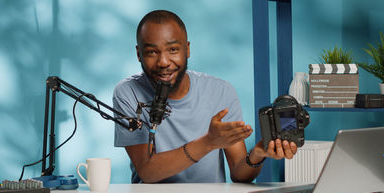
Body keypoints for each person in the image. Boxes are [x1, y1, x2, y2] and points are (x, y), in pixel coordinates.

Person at [113, 10, 297, 183]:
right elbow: (147, 172)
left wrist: (257, 153)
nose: (163, 62)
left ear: (187, 49)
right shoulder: (128, 92)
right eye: (152, 52)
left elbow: (240, 175)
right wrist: (208, 142)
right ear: (139, 54)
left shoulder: (220, 91)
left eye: (173, 50)